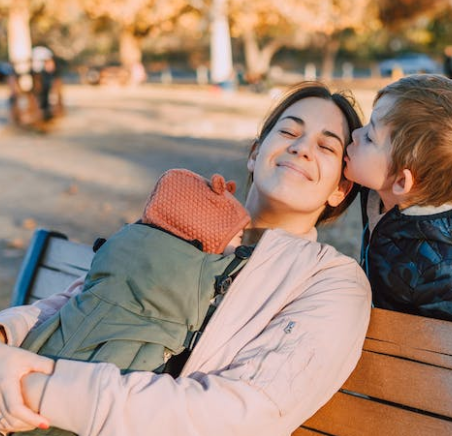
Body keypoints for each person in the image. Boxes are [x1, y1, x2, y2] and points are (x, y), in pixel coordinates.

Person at [0, 81, 371, 436]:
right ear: (256, 154)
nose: (302, 148)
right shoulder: (187, 219)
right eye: (289, 132)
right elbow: (83, 298)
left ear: (340, 189)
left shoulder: (331, 282)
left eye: (326, 147)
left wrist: (39, 387)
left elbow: (238, 416)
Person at [19, 168, 252, 386]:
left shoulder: (127, 242)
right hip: (122, 373)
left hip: (52, 351)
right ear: (209, 233)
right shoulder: (196, 273)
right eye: (237, 234)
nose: (242, 240)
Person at [344, 74, 452, 330]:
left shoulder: (438, 269)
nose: (355, 135)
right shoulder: (388, 198)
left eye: (370, 137)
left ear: (403, 182)